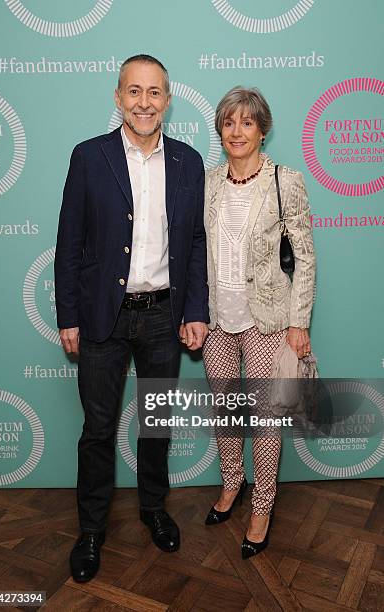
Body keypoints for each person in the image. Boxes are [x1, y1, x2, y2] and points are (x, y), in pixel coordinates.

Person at [54, 54, 209, 582]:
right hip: (103, 318)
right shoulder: (88, 157)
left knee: (157, 424)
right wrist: (68, 314)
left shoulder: (189, 162)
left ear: (168, 99)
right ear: (118, 98)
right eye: (134, 91)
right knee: (97, 430)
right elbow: (68, 242)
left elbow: (194, 244)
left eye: (155, 92)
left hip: (164, 316)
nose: (145, 102)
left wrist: (195, 310)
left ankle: (153, 509)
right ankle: (91, 530)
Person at [202, 86, 315, 558]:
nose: (237, 131)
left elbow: (305, 256)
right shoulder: (208, 182)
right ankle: (232, 484)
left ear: (263, 130)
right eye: (229, 122)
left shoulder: (283, 180)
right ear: (220, 130)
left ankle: (262, 506)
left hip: (268, 319)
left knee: (267, 420)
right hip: (215, 320)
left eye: (247, 122)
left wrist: (299, 321)